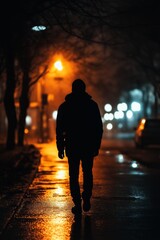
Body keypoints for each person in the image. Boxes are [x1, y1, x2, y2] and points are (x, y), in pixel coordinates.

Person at [56, 79, 103, 215]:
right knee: (87, 173)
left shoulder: (65, 107)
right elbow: (98, 128)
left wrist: (60, 147)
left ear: (72, 89)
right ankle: (86, 198)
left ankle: (77, 203)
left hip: (72, 145)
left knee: (73, 175)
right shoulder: (92, 106)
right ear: (84, 89)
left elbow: (59, 129)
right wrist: (96, 145)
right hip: (88, 145)